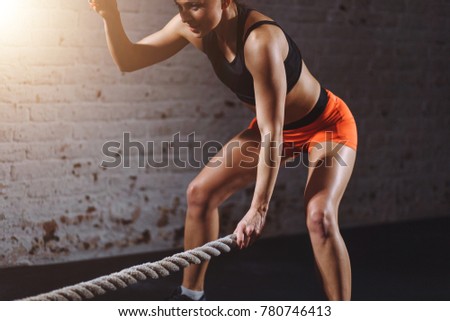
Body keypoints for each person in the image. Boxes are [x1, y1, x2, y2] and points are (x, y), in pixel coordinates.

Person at [90, 0, 358, 301]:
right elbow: (129, 59)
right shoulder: (193, 27)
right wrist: (110, 17)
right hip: (273, 128)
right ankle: (191, 296)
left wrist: (258, 210)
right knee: (199, 194)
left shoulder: (260, 39)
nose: (184, 15)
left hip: (325, 125)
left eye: (195, 5)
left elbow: (273, 131)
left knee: (319, 216)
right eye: (179, 5)